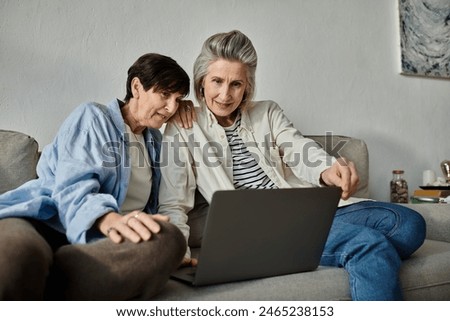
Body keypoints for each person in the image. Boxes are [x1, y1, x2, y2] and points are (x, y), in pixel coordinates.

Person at [158, 30, 426, 300]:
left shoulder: (267, 112)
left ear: (247, 86)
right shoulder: (184, 125)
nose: (225, 95)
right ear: (201, 81)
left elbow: (298, 148)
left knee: (410, 224)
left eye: (236, 84)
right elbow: (173, 201)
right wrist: (177, 254)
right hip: (259, 227)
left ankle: (343, 252)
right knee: (369, 244)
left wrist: (327, 169)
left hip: (303, 209)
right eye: (216, 81)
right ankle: (355, 251)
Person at [0, 53, 193, 300]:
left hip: (99, 245)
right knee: (16, 255)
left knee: (170, 239)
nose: (172, 107)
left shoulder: (155, 142)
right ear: (137, 87)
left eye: (178, 100)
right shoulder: (94, 117)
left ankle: (47, 274)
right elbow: (72, 188)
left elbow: (162, 205)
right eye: (165, 95)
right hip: (43, 221)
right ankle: (39, 268)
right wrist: (108, 218)